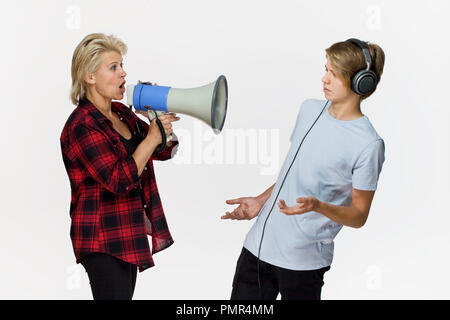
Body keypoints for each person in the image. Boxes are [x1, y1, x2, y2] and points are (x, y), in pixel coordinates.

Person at [223, 38, 385, 300]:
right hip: (257, 249)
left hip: (303, 263)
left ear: (361, 82)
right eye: (325, 70)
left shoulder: (369, 144)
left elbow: (358, 216)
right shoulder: (309, 109)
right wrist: (261, 201)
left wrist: (318, 206)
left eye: (334, 74)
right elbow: (293, 173)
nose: (324, 79)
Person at [60, 33, 180, 300]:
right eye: (113, 67)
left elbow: (163, 150)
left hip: (127, 232)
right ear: (90, 76)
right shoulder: (82, 125)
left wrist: (159, 122)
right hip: (101, 237)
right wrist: (151, 138)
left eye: (122, 65)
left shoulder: (121, 113)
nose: (124, 73)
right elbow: (118, 179)